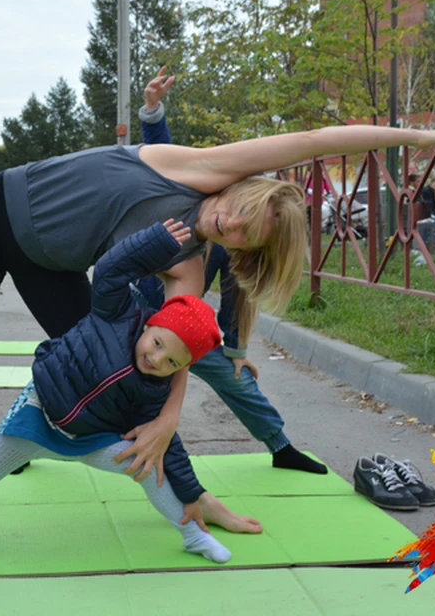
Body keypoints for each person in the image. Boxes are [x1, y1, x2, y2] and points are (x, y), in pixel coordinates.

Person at [0, 73, 435, 520]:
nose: (226, 223)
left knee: (111, 367)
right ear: (241, 191)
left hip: (51, 263)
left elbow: (171, 351)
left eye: (240, 236)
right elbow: (313, 139)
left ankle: (189, 497)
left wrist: (170, 413)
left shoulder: (188, 272)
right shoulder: (200, 169)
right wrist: (423, 135)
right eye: (237, 213)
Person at [0, 220, 261, 562]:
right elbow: (110, 270)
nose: (158, 360)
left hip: (91, 437)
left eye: (173, 364)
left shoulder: (155, 390)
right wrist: (155, 242)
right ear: (150, 323)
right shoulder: (115, 313)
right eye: (159, 343)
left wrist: (192, 493)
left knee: (150, 466)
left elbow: (166, 446)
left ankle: (193, 536)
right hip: (36, 417)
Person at [135, 67, 326, 475]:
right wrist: (152, 112)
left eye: (250, 233)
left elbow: (237, 291)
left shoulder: (230, 245)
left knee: (236, 378)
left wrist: (236, 351)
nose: (234, 228)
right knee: (73, 362)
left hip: (178, 324)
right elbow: (163, 161)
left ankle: (280, 446)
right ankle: (21, 442)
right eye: (240, 214)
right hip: (128, 308)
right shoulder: (198, 203)